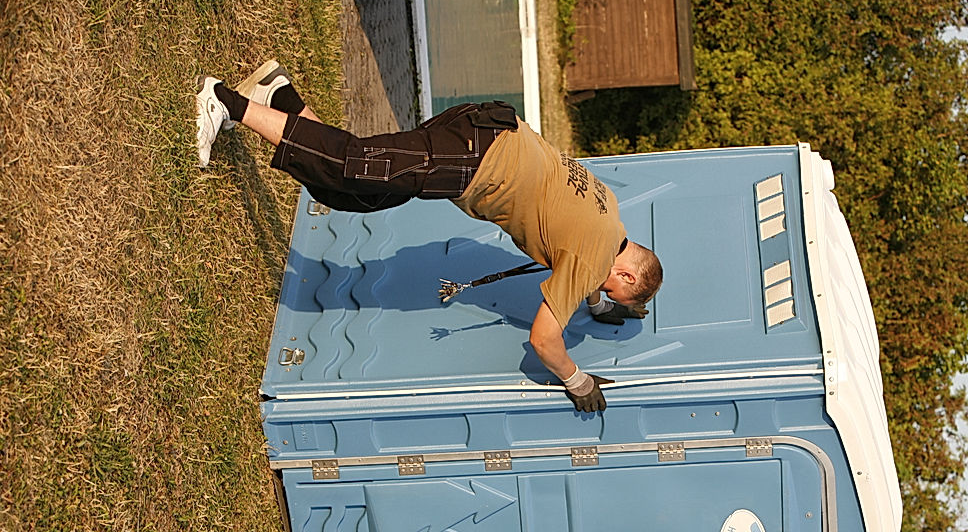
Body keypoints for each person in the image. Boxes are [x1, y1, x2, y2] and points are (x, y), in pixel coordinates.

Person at [195, 63, 662, 413]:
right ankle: (224, 101)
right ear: (622, 271)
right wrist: (576, 379)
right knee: (354, 163)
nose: (602, 291)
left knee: (359, 194)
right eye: (613, 288)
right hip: (475, 158)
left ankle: (280, 97)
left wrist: (603, 304)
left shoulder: (609, 214)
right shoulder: (591, 258)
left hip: (487, 130)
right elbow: (544, 340)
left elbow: (579, 250)